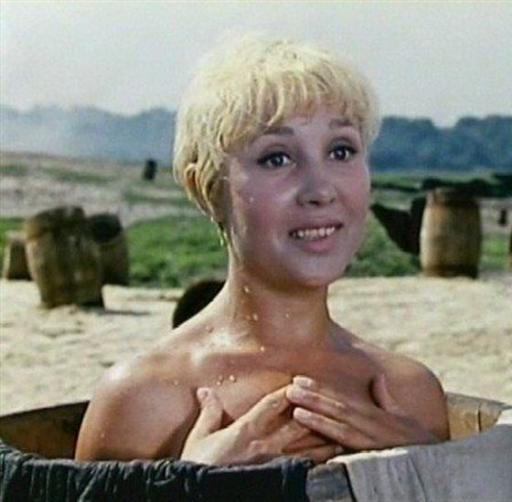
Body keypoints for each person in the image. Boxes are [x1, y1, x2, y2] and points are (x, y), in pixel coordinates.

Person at [75, 36, 449, 466]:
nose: (320, 190)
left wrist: (426, 470)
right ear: (207, 188)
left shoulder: (408, 394)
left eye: (341, 150)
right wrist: (191, 485)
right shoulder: (145, 400)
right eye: (276, 158)